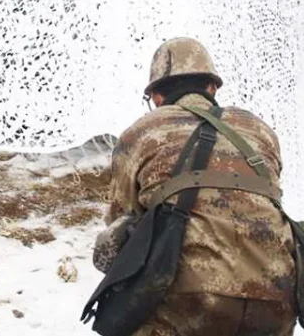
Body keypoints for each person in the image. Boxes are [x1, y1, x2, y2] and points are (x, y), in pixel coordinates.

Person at [96, 37, 297, 334]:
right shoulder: (260, 131)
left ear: (156, 96)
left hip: (187, 303)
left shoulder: (141, 132)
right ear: (212, 87)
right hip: (278, 298)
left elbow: (121, 221)